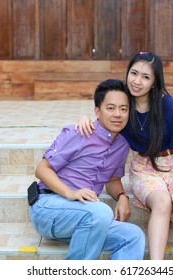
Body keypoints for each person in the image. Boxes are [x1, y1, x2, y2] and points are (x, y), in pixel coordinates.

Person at [76, 52, 173, 260]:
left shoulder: (169, 106)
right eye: (133, 73)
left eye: (145, 77)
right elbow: (105, 112)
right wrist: (85, 117)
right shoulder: (124, 104)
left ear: (154, 82)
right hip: (144, 167)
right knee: (162, 201)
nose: (137, 81)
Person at [29, 79, 145, 260]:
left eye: (123, 109)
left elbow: (112, 180)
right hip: (49, 206)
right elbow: (42, 169)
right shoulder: (80, 132)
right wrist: (70, 193)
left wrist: (122, 197)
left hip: (86, 216)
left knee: (133, 235)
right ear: (97, 112)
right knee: (101, 211)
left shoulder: (122, 145)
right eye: (111, 108)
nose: (118, 114)